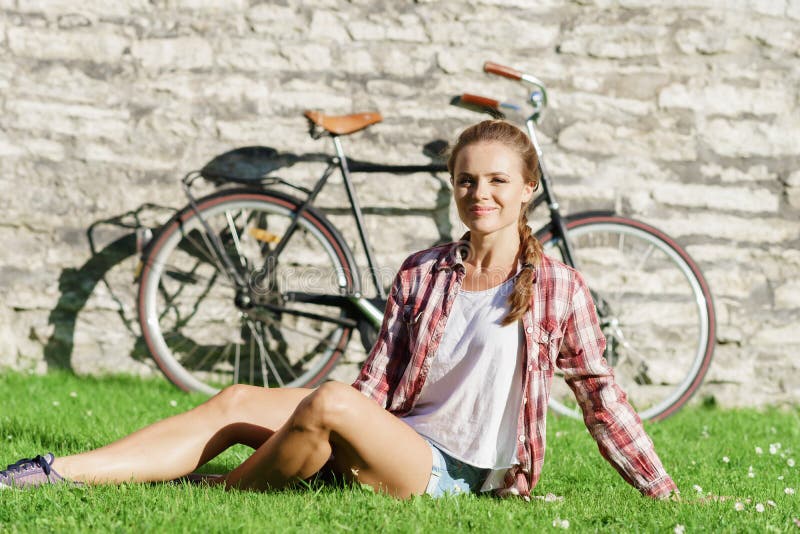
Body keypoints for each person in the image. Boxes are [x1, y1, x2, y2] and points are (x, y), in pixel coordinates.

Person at [0, 120, 677, 500]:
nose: (480, 193)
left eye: (498, 181)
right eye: (467, 180)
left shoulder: (557, 286)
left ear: (528, 189)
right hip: (399, 432)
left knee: (327, 405)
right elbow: (377, 381)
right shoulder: (424, 270)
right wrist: (330, 419)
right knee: (238, 398)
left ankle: (214, 492)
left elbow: (599, 394)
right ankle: (55, 472)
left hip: (456, 474)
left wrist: (662, 491)